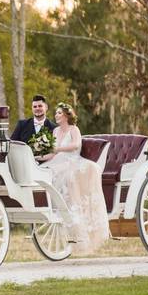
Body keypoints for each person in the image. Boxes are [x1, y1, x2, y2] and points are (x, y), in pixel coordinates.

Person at [40, 102, 110, 249]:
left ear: (66, 115)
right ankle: (51, 207)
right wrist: (39, 157)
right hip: (58, 161)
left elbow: (76, 145)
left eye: (59, 113)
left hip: (73, 161)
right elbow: (53, 154)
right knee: (44, 171)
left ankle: (68, 212)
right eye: (56, 113)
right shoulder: (55, 132)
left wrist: (58, 148)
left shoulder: (74, 129)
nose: (56, 115)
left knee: (65, 174)